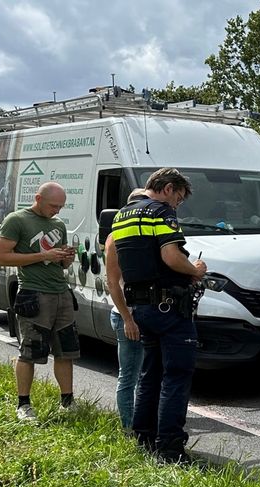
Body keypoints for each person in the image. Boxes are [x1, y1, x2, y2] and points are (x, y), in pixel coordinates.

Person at [112, 169, 207, 461]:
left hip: (141, 307)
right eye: (178, 198)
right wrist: (194, 270)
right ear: (167, 189)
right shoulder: (161, 212)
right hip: (169, 306)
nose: (177, 204)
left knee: (149, 374)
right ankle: (170, 447)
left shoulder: (122, 216)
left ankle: (144, 438)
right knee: (177, 375)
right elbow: (170, 256)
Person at [0, 182, 78, 422]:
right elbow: (2, 257)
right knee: (29, 351)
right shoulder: (16, 220)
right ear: (38, 199)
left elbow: (61, 264)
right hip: (34, 293)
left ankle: (67, 402)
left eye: (61, 207)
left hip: (61, 292)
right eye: (53, 206)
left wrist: (66, 257)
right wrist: (43, 255)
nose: (57, 211)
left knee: (66, 351)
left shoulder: (58, 224)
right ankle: (23, 405)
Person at [104, 188, 147, 429]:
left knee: (145, 375)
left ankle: (144, 425)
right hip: (127, 315)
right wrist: (128, 319)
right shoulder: (116, 237)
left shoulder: (147, 233)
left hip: (146, 314)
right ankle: (129, 428)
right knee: (129, 376)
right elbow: (112, 283)